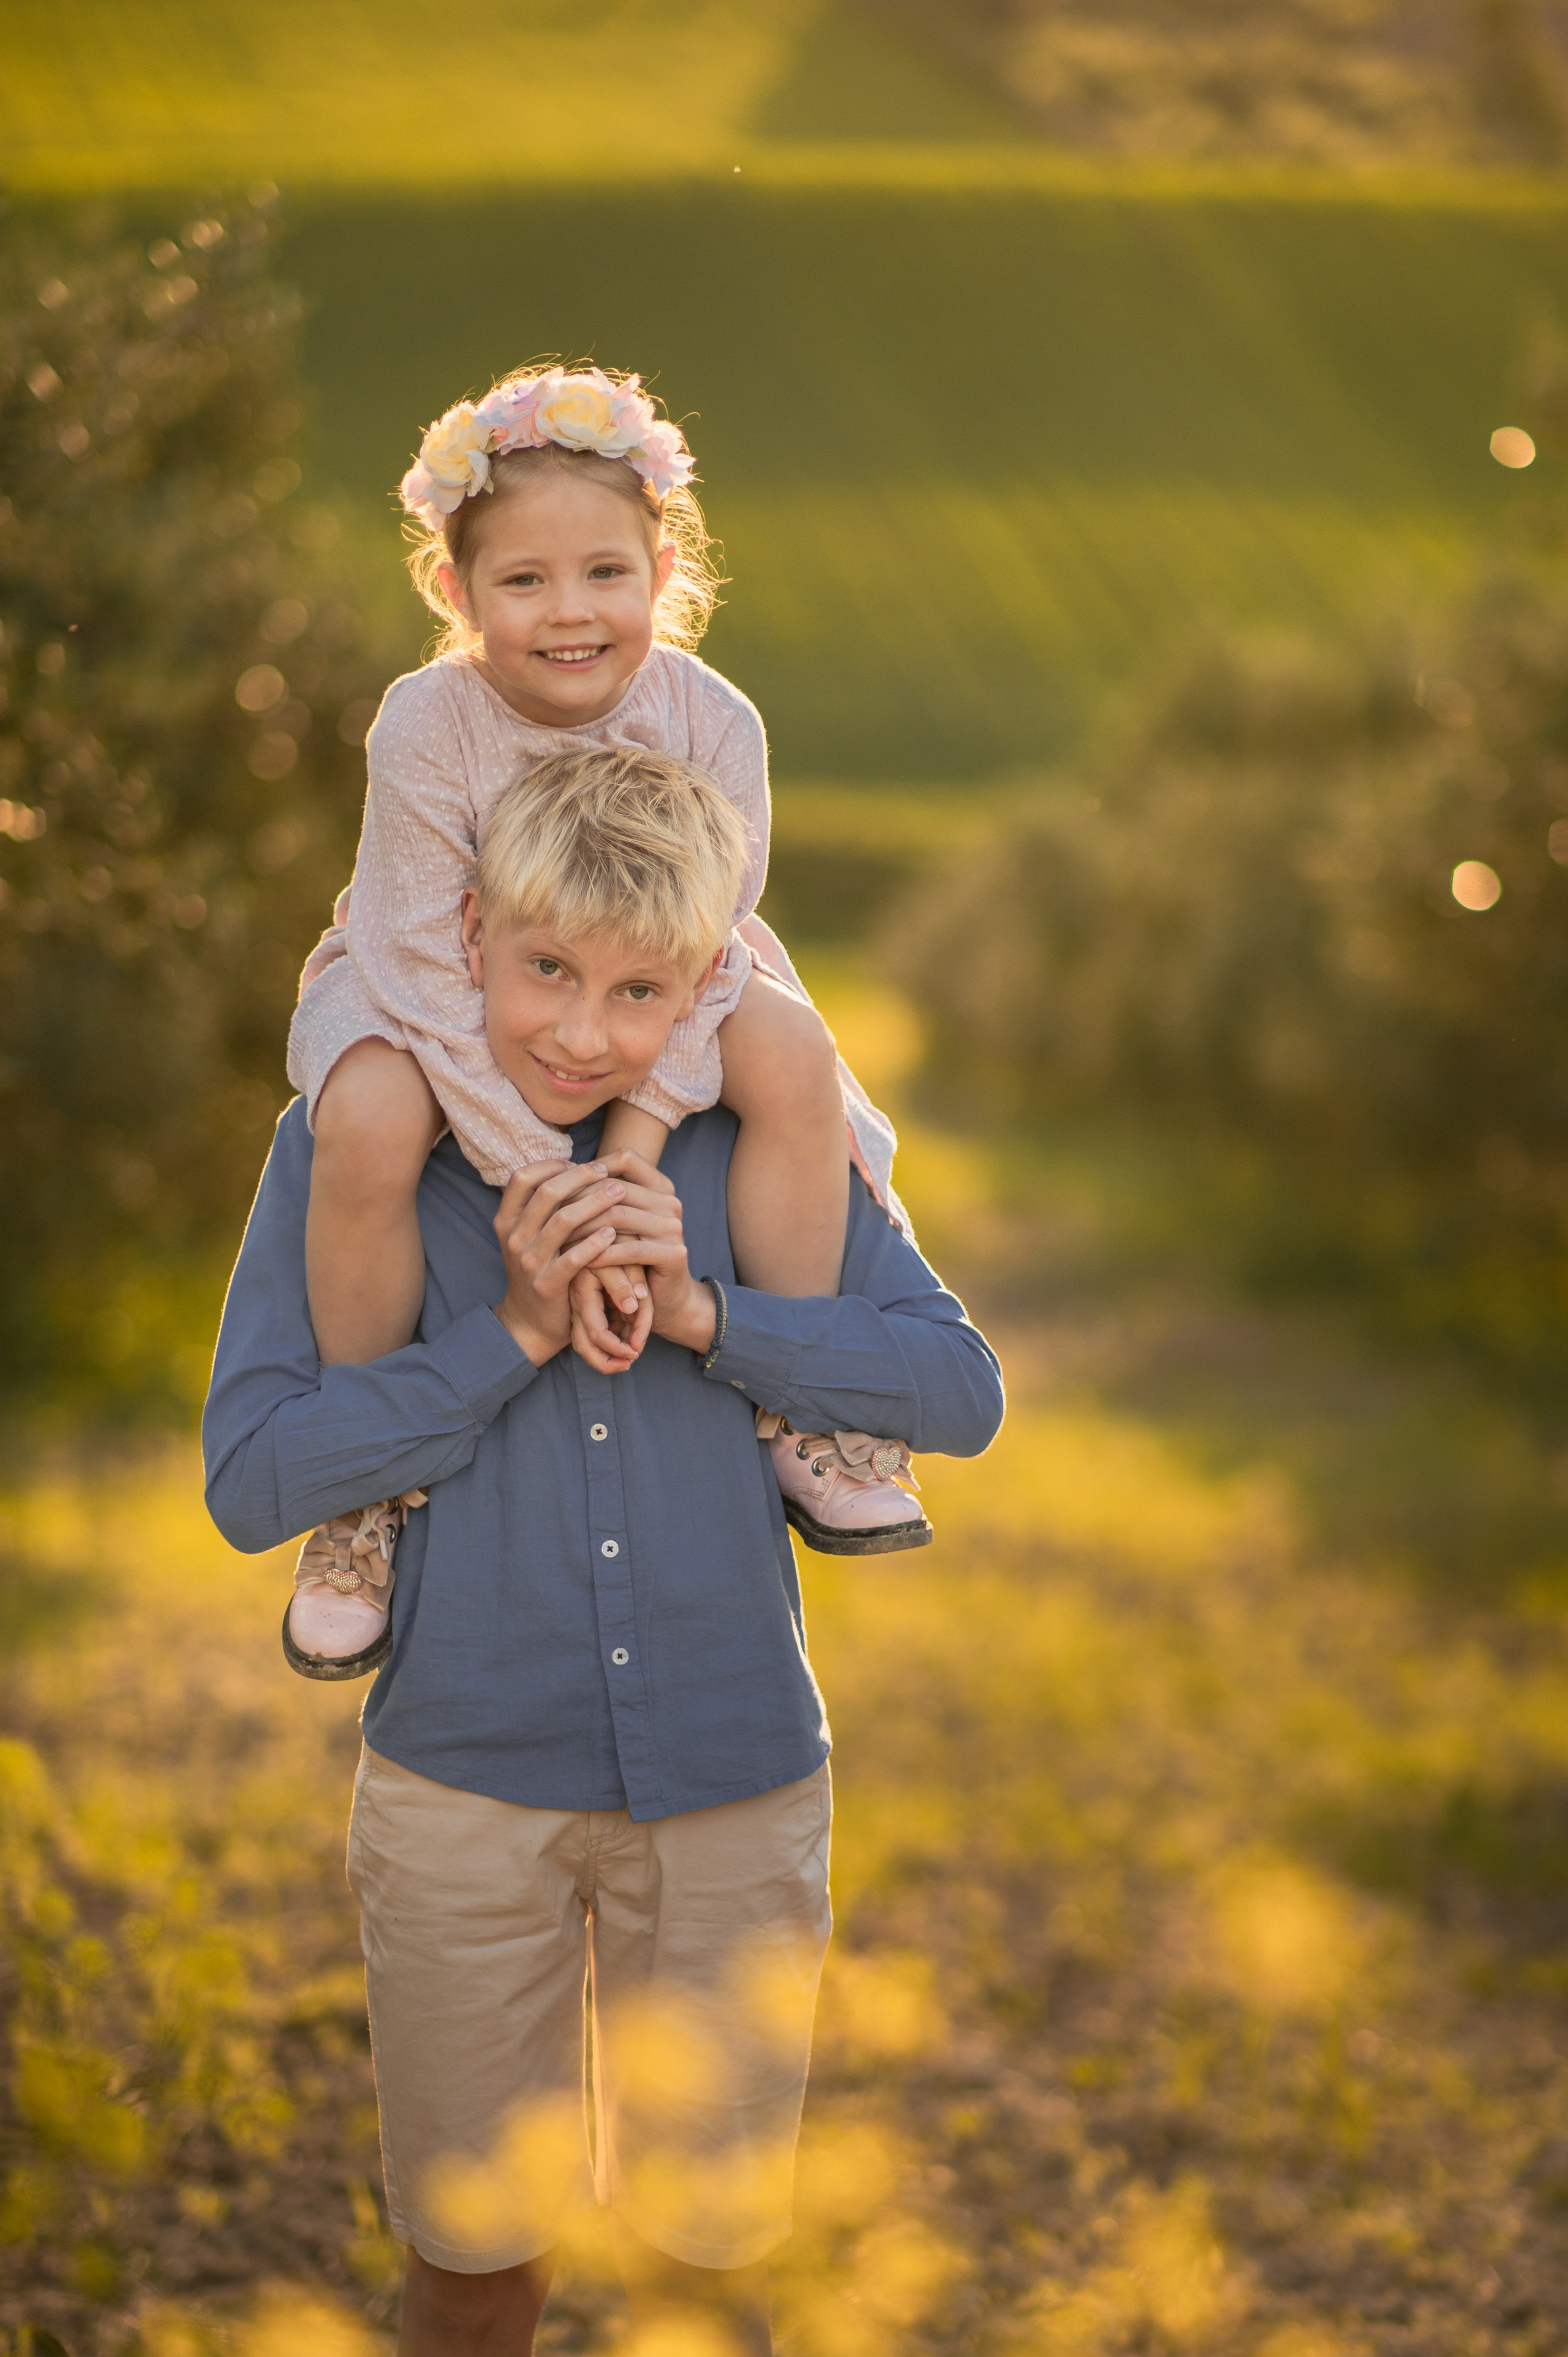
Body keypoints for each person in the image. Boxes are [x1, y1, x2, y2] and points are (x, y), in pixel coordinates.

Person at [203, 748, 1005, 2355]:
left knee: (706, 2266)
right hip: (459, 1787)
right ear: (469, 940)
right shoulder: (361, 1143)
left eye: (640, 991)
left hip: (735, 1773)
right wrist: (506, 1333)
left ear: (706, 984)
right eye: (543, 971)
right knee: (477, 2265)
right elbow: (250, 1476)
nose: (580, 1032)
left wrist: (710, 1311)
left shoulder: (762, 1144)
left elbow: (959, 1391)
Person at [285, 365, 927, 1675]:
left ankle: (801, 1403)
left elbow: (701, 956)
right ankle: (361, 1490)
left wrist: (627, 1161)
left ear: (664, 566)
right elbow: (415, 962)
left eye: (604, 575)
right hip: (436, 975)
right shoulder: (427, 725)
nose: (567, 614)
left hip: (659, 978)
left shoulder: (710, 720)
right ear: (455, 594)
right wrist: (543, 1188)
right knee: (364, 1113)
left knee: (795, 1051)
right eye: (521, 583)